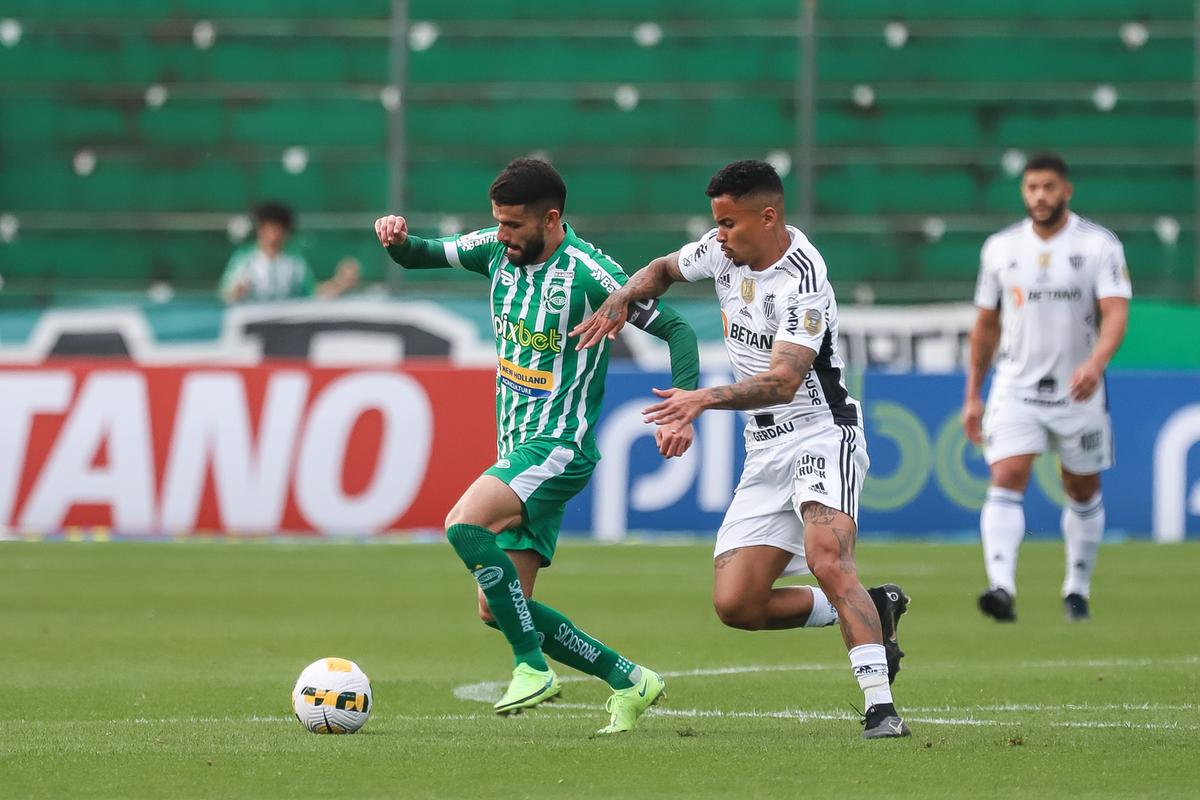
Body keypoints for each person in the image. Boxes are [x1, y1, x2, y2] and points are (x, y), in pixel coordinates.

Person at [572, 160, 912, 740]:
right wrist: (621, 299)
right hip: (764, 448)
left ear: (769, 215)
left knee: (829, 558)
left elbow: (783, 382)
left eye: (729, 223)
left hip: (820, 431)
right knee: (737, 605)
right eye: (716, 223)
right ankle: (872, 609)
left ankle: (880, 707)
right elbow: (663, 269)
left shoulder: (804, 281)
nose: (719, 235)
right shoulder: (721, 251)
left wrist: (701, 399)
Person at [374, 158, 701, 734]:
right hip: (517, 449)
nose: (502, 235)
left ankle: (532, 667)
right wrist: (397, 241)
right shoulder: (496, 251)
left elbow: (677, 328)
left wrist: (683, 407)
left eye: (514, 225)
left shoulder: (593, 276)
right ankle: (630, 679)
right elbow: (424, 253)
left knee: (462, 525)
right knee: (498, 609)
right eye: (497, 223)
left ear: (551, 219)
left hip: (558, 447)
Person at [963, 153, 1131, 623]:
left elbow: (1115, 312)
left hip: (1079, 389)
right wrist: (973, 394)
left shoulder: (1098, 246)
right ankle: (1001, 588)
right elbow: (985, 326)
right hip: (1015, 386)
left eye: (1049, 187)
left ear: (1066, 190)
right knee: (1006, 476)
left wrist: (1096, 364)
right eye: (1032, 187)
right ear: (1023, 191)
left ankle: (1076, 589)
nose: (1040, 196)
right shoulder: (1000, 248)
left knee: (1080, 486)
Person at [220, 201, 359, 303]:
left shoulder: (295, 263)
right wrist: (236, 292)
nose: (273, 234)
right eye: (269, 228)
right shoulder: (243, 260)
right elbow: (226, 294)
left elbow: (312, 294)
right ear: (260, 229)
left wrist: (340, 282)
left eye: (278, 228)